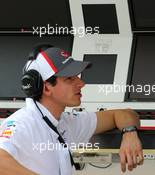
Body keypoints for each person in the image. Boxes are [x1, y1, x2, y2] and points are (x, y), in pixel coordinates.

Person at [0, 44, 143, 175]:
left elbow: (125, 114)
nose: (81, 83)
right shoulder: (22, 123)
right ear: (46, 87)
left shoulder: (66, 122)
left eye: (77, 77)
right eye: (69, 78)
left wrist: (129, 133)